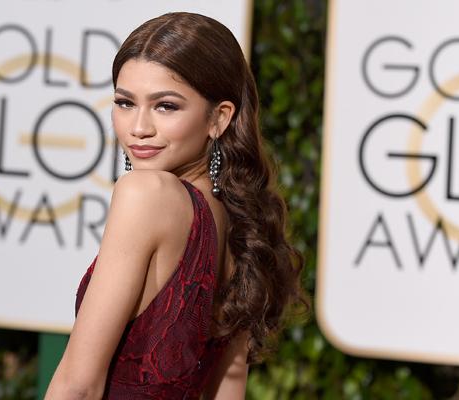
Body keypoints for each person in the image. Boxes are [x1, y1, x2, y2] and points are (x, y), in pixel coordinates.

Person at [45, 11, 307, 400]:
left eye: (165, 106)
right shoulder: (242, 224)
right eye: (125, 102)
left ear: (219, 118)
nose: (138, 128)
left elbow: (78, 386)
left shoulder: (145, 194)